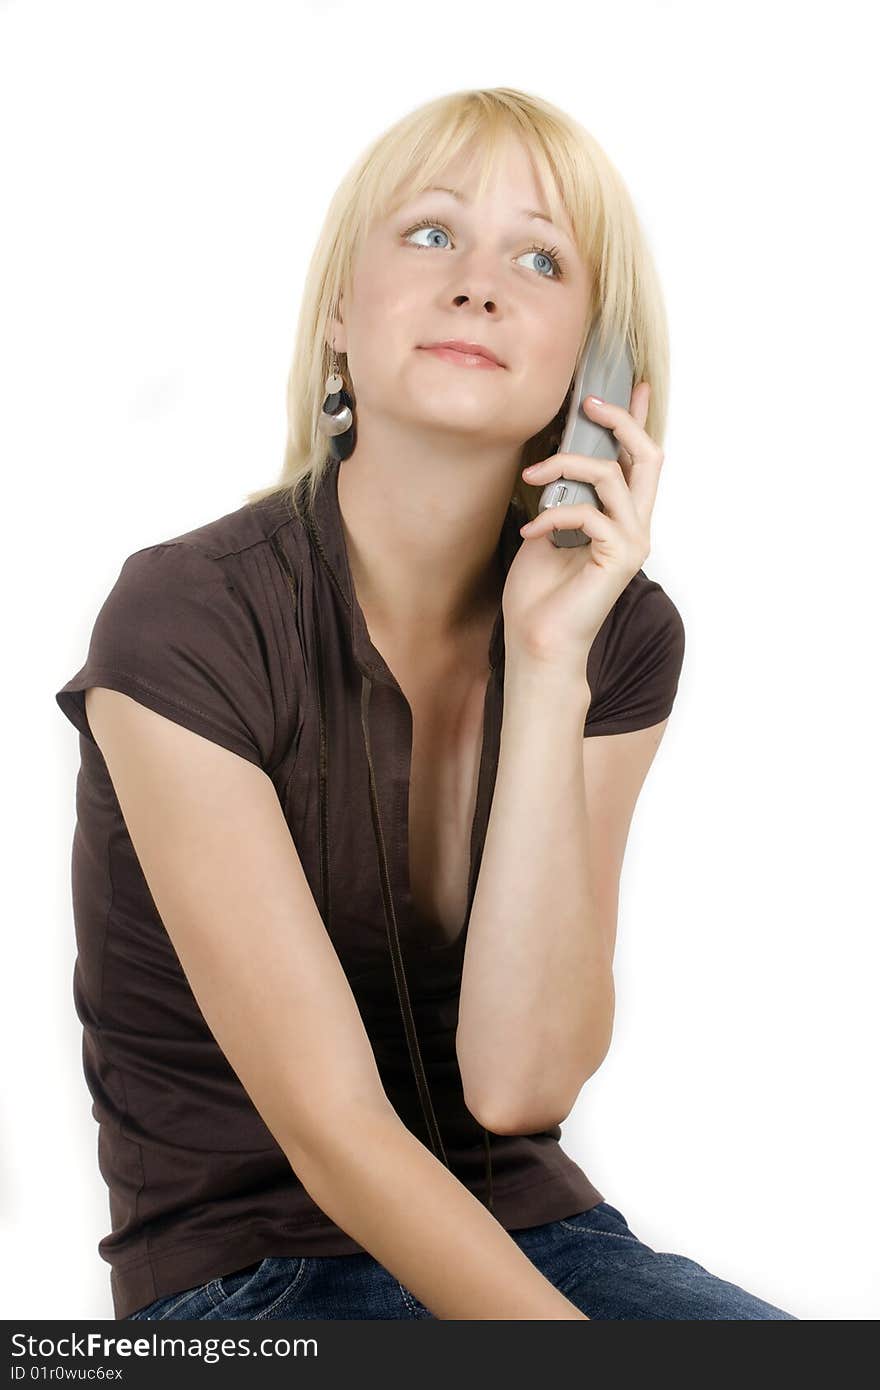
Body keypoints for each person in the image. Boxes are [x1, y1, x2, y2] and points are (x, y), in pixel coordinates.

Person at [55, 86, 797, 1320]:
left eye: (540, 257)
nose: (479, 283)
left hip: (543, 1232)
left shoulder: (619, 639)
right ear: (341, 310)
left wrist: (549, 661)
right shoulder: (186, 616)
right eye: (432, 233)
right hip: (250, 1277)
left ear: (595, 365)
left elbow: (519, 1084)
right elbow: (338, 1133)